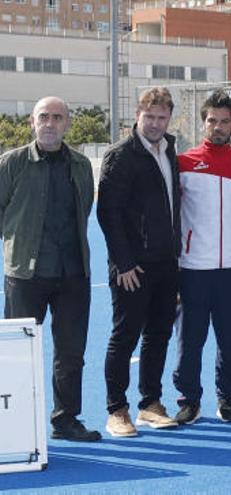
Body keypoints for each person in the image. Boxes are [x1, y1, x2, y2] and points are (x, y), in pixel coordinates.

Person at [0, 97, 99, 441]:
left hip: (73, 274)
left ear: (68, 123)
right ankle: (17, 425)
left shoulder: (81, 165)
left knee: (71, 352)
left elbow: (84, 208)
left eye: (58, 117)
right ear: (32, 121)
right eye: (44, 116)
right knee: (17, 354)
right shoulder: (11, 163)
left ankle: (66, 419)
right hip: (26, 275)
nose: (50, 123)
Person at [98, 87, 181, 437]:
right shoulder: (121, 155)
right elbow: (108, 213)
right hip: (133, 268)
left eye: (162, 118)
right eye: (150, 117)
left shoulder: (170, 150)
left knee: (159, 334)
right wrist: (124, 262)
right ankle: (116, 410)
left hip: (167, 263)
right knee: (125, 336)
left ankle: (150, 403)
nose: (156, 124)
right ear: (137, 115)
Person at [172, 90, 231, 425]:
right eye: (211, 120)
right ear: (203, 122)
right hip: (193, 269)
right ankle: (189, 399)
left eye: (224, 121)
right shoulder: (184, 163)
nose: (217, 126)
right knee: (190, 340)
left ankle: (228, 398)